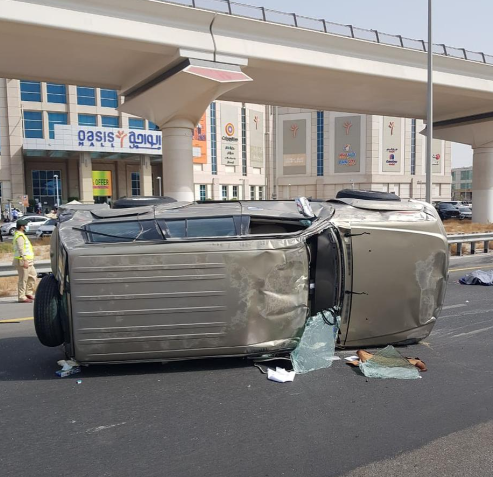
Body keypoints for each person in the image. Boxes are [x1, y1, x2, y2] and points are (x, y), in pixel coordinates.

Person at [12, 219, 37, 303]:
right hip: (23, 260)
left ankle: (28, 293)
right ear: (22, 227)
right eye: (25, 225)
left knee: (33, 275)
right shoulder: (19, 236)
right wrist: (24, 260)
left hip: (29, 260)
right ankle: (21, 297)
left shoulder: (22, 235)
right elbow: (21, 249)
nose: (27, 227)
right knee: (23, 279)